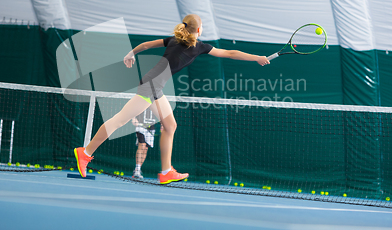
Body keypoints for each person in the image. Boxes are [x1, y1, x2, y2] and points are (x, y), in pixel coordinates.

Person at [74, 14, 270, 184]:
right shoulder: (199, 46)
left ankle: (166, 172)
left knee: (170, 125)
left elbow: (146, 44)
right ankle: (86, 152)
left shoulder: (174, 40)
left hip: (155, 86)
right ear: (199, 29)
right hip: (150, 86)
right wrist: (256, 57)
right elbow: (230, 53)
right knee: (120, 120)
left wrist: (131, 53)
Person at [131, 108, 156, 179]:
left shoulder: (157, 100)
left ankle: (138, 169)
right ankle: (137, 169)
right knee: (142, 145)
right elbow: (135, 106)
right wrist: (133, 118)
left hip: (151, 128)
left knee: (145, 149)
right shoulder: (143, 97)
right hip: (140, 126)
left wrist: (162, 124)